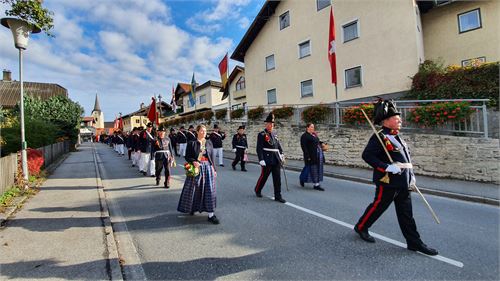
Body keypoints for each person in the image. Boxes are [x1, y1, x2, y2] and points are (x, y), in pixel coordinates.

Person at [354, 99, 438, 256]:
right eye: (396, 117)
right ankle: (361, 227)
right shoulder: (379, 137)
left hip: (403, 182)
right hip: (388, 182)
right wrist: (386, 167)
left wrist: (411, 177)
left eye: (399, 117)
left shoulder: (399, 137)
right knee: (378, 208)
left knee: (406, 214)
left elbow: (407, 161)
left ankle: (414, 242)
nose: (400, 119)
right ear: (386, 121)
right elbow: (367, 156)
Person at [177, 124, 219, 224]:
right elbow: (187, 156)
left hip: (208, 167)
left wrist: (214, 169)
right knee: (194, 189)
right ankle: (192, 207)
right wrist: (193, 161)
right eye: (201, 131)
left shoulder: (208, 142)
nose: (204, 132)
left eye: (205, 131)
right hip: (196, 168)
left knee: (209, 190)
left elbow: (212, 157)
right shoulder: (192, 143)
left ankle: (211, 214)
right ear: (197, 132)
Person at [254, 113, 286, 203]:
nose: (271, 125)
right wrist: (261, 159)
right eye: (269, 123)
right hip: (267, 158)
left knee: (277, 178)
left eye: (272, 123)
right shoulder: (262, 134)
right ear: (266, 124)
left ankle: (278, 196)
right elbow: (259, 148)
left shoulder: (274, 133)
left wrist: (282, 153)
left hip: (276, 158)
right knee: (264, 176)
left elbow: (278, 145)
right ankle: (257, 190)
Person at [299, 123, 325, 191]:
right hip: (310, 156)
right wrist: (307, 156)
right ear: (307, 128)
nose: (312, 128)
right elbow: (304, 147)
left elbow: (317, 141)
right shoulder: (304, 136)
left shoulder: (314, 135)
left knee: (310, 169)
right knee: (312, 169)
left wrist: (321, 143)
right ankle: (316, 184)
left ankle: (302, 178)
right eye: (311, 127)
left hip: (317, 155)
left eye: (313, 127)